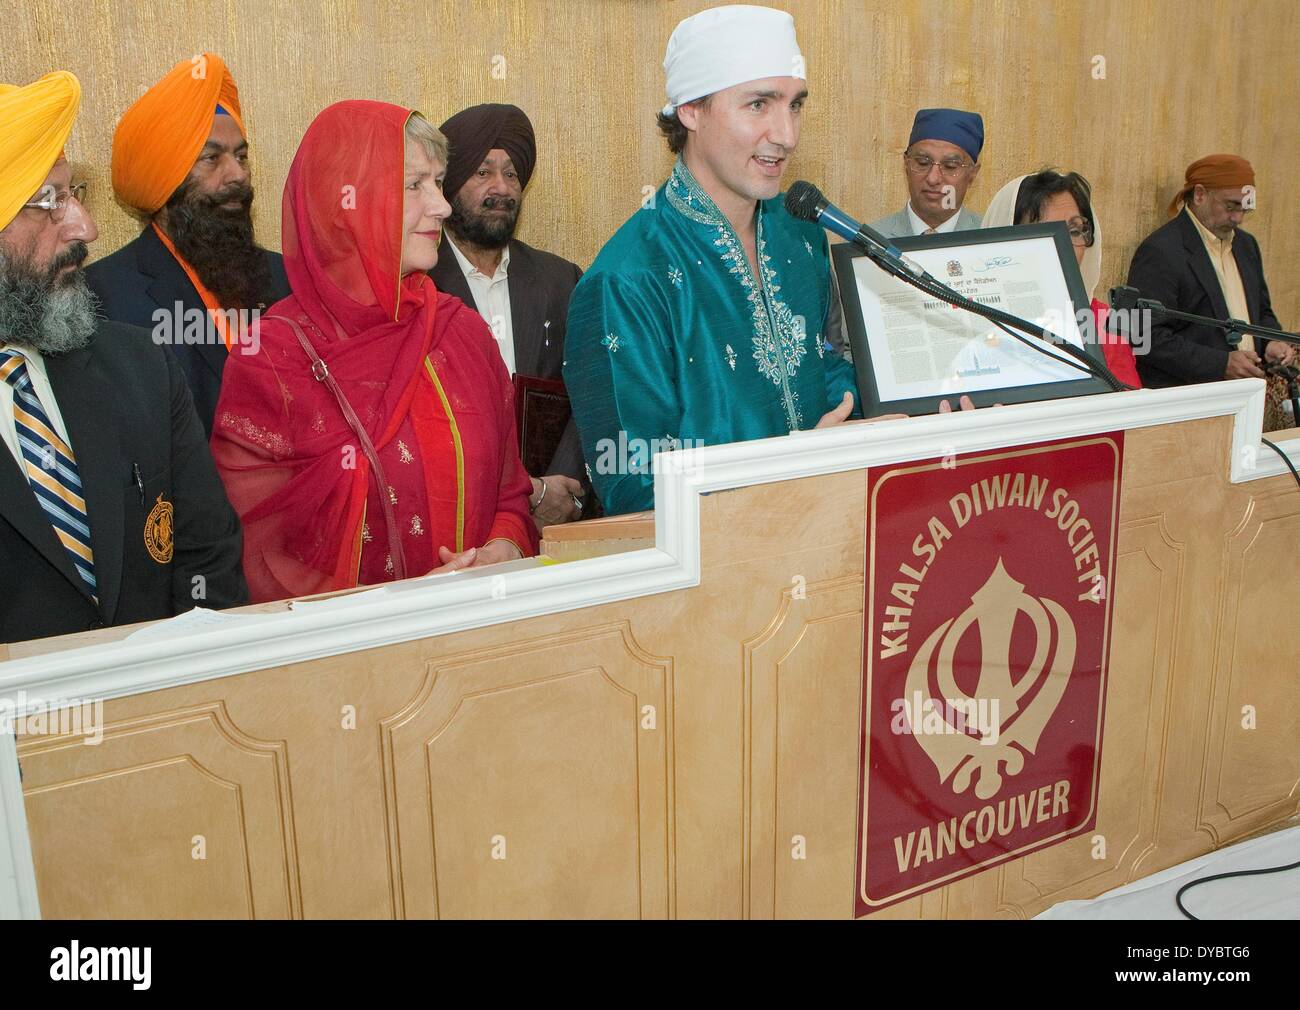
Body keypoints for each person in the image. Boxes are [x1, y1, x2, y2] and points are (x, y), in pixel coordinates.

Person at [210, 100, 537, 603]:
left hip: (480, 642)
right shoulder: (272, 358)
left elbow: (509, 492)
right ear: (348, 203)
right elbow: (255, 556)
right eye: (414, 185)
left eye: (438, 181)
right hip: (348, 666)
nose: (442, 205)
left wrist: (503, 550)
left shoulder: (461, 333)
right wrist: (391, 608)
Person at [564, 4, 862, 516]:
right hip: (710, 582)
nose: (787, 135)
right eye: (758, 105)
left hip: (829, 540)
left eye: (795, 105)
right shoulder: (626, 281)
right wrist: (793, 465)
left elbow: (826, 371)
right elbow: (634, 489)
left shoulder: (800, 237)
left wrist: (909, 409)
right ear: (690, 110)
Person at [0, 71, 247, 643]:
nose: (83, 228)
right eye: (46, 202)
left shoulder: (141, 367)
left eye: (72, 195)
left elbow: (208, 561)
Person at [85, 53, 289, 437]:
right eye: (211, 158)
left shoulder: (285, 277)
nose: (237, 176)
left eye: (241, 156)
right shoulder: (104, 296)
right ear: (164, 178)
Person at [430, 103, 587, 528]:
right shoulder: (418, 284)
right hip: (459, 521)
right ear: (449, 184)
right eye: (483, 172)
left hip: (556, 516)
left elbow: (590, 388)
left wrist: (561, 485)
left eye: (512, 173)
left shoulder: (561, 280)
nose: (502, 187)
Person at [1125, 154, 1295, 389]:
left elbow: (1261, 312)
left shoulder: (1246, 246)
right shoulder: (1162, 250)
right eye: (1231, 206)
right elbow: (1145, 336)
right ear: (1200, 194)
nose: (1238, 218)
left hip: (1245, 394)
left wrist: (1271, 342)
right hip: (1188, 397)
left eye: (1245, 210)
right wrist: (1220, 363)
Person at [982, 170, 1141, 388]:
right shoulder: (973, 320)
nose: (1062, 246)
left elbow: (1127, 415)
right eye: (1043, 233)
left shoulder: (1105, 324)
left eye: (1074, 231)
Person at [870, 108, 984, 238]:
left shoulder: (993, 243)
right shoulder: (870, 244)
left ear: (972, 174)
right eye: (922, 163)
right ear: (906, 165)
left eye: (950, 166)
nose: (933, 178)